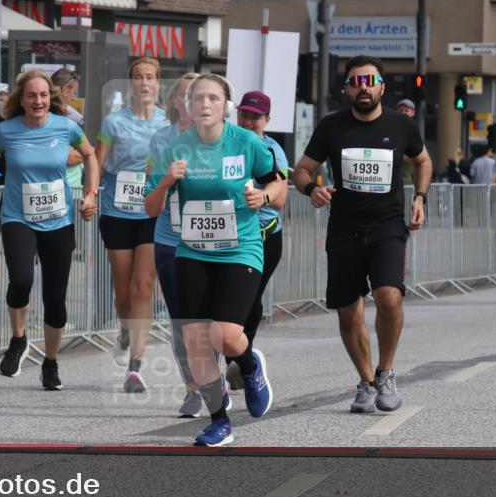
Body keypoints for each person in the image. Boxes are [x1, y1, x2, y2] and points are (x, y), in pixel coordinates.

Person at [291, 55, 433, 414]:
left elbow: (423, 161)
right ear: (347, 89)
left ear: (382, 86)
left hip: (386, 227)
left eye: (370, 81)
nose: (363, 87)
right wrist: (312, 191)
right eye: (356, 81)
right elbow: (303, 170)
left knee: (388, 297)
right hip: (343, 230)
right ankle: (367, 380)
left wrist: (419, 197)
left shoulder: (401, 126)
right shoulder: (332, 127)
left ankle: (386, 372)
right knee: (347, 311)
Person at [145, 74, 276, 446]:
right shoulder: (174, 148)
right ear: (187, 105)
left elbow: (278, 186)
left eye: (213, 99)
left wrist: (263, 198)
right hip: (192, 251)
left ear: (226, 106)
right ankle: (220, 421)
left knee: (225, 333)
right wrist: (167, 181)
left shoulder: (247, 142)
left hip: (240, 249)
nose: (204, 105)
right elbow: (151, 208)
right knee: (194, 337)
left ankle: (250, 367)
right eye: (197, 98)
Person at [0, 69, 100, 391]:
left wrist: (90, 194)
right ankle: (18, 339)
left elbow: (90, 155)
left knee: (56, 299)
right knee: (21, 280)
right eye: (31, 95)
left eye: (43, 95)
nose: (38, 100)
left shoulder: (66, 127)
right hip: (17, 217)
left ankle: (51, 363)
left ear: (50, 98)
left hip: (58, 220)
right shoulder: (7, 131)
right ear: (22, 100)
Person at [96, 57, 169, 393]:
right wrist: (89, 194)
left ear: (157, 85)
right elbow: (96, 163)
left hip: (153, 213)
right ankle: (126, 325)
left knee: (143, 286)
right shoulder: (113, 123)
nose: (144, 82)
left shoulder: (168, 124)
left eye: (150, 77)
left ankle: (135, 366)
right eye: (138, 77)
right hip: (118, 210)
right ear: (130, 85)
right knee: (123, 292)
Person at [225, 91, 290, 393]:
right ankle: (237, 358)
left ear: (267, 120)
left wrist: (263, 195)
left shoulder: (272, 149)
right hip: (223, 234)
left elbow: (281, 199)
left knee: (248, 300)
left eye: (256, 117)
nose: (249, 121)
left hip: (263, 235)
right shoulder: (223, 142)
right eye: (244, 115)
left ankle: (239, 360)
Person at [146, 72, 202, 416]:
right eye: (183, 95)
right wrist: (167, 179)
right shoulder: (160, 141)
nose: (189, 102)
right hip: (170, 238)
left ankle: (215, 376)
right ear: (174, 101)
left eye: (197, 96)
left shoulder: (222, 138)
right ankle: (193, 388)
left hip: (213, 240)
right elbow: (150, 198)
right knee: (181, 320)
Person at [51, 68, 85, 190]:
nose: (73, 98)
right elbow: (69, 157)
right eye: (74, 93)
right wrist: (90, 153)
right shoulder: (57, 120)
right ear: (65, 89)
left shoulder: (65, 117)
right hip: (65, 191)